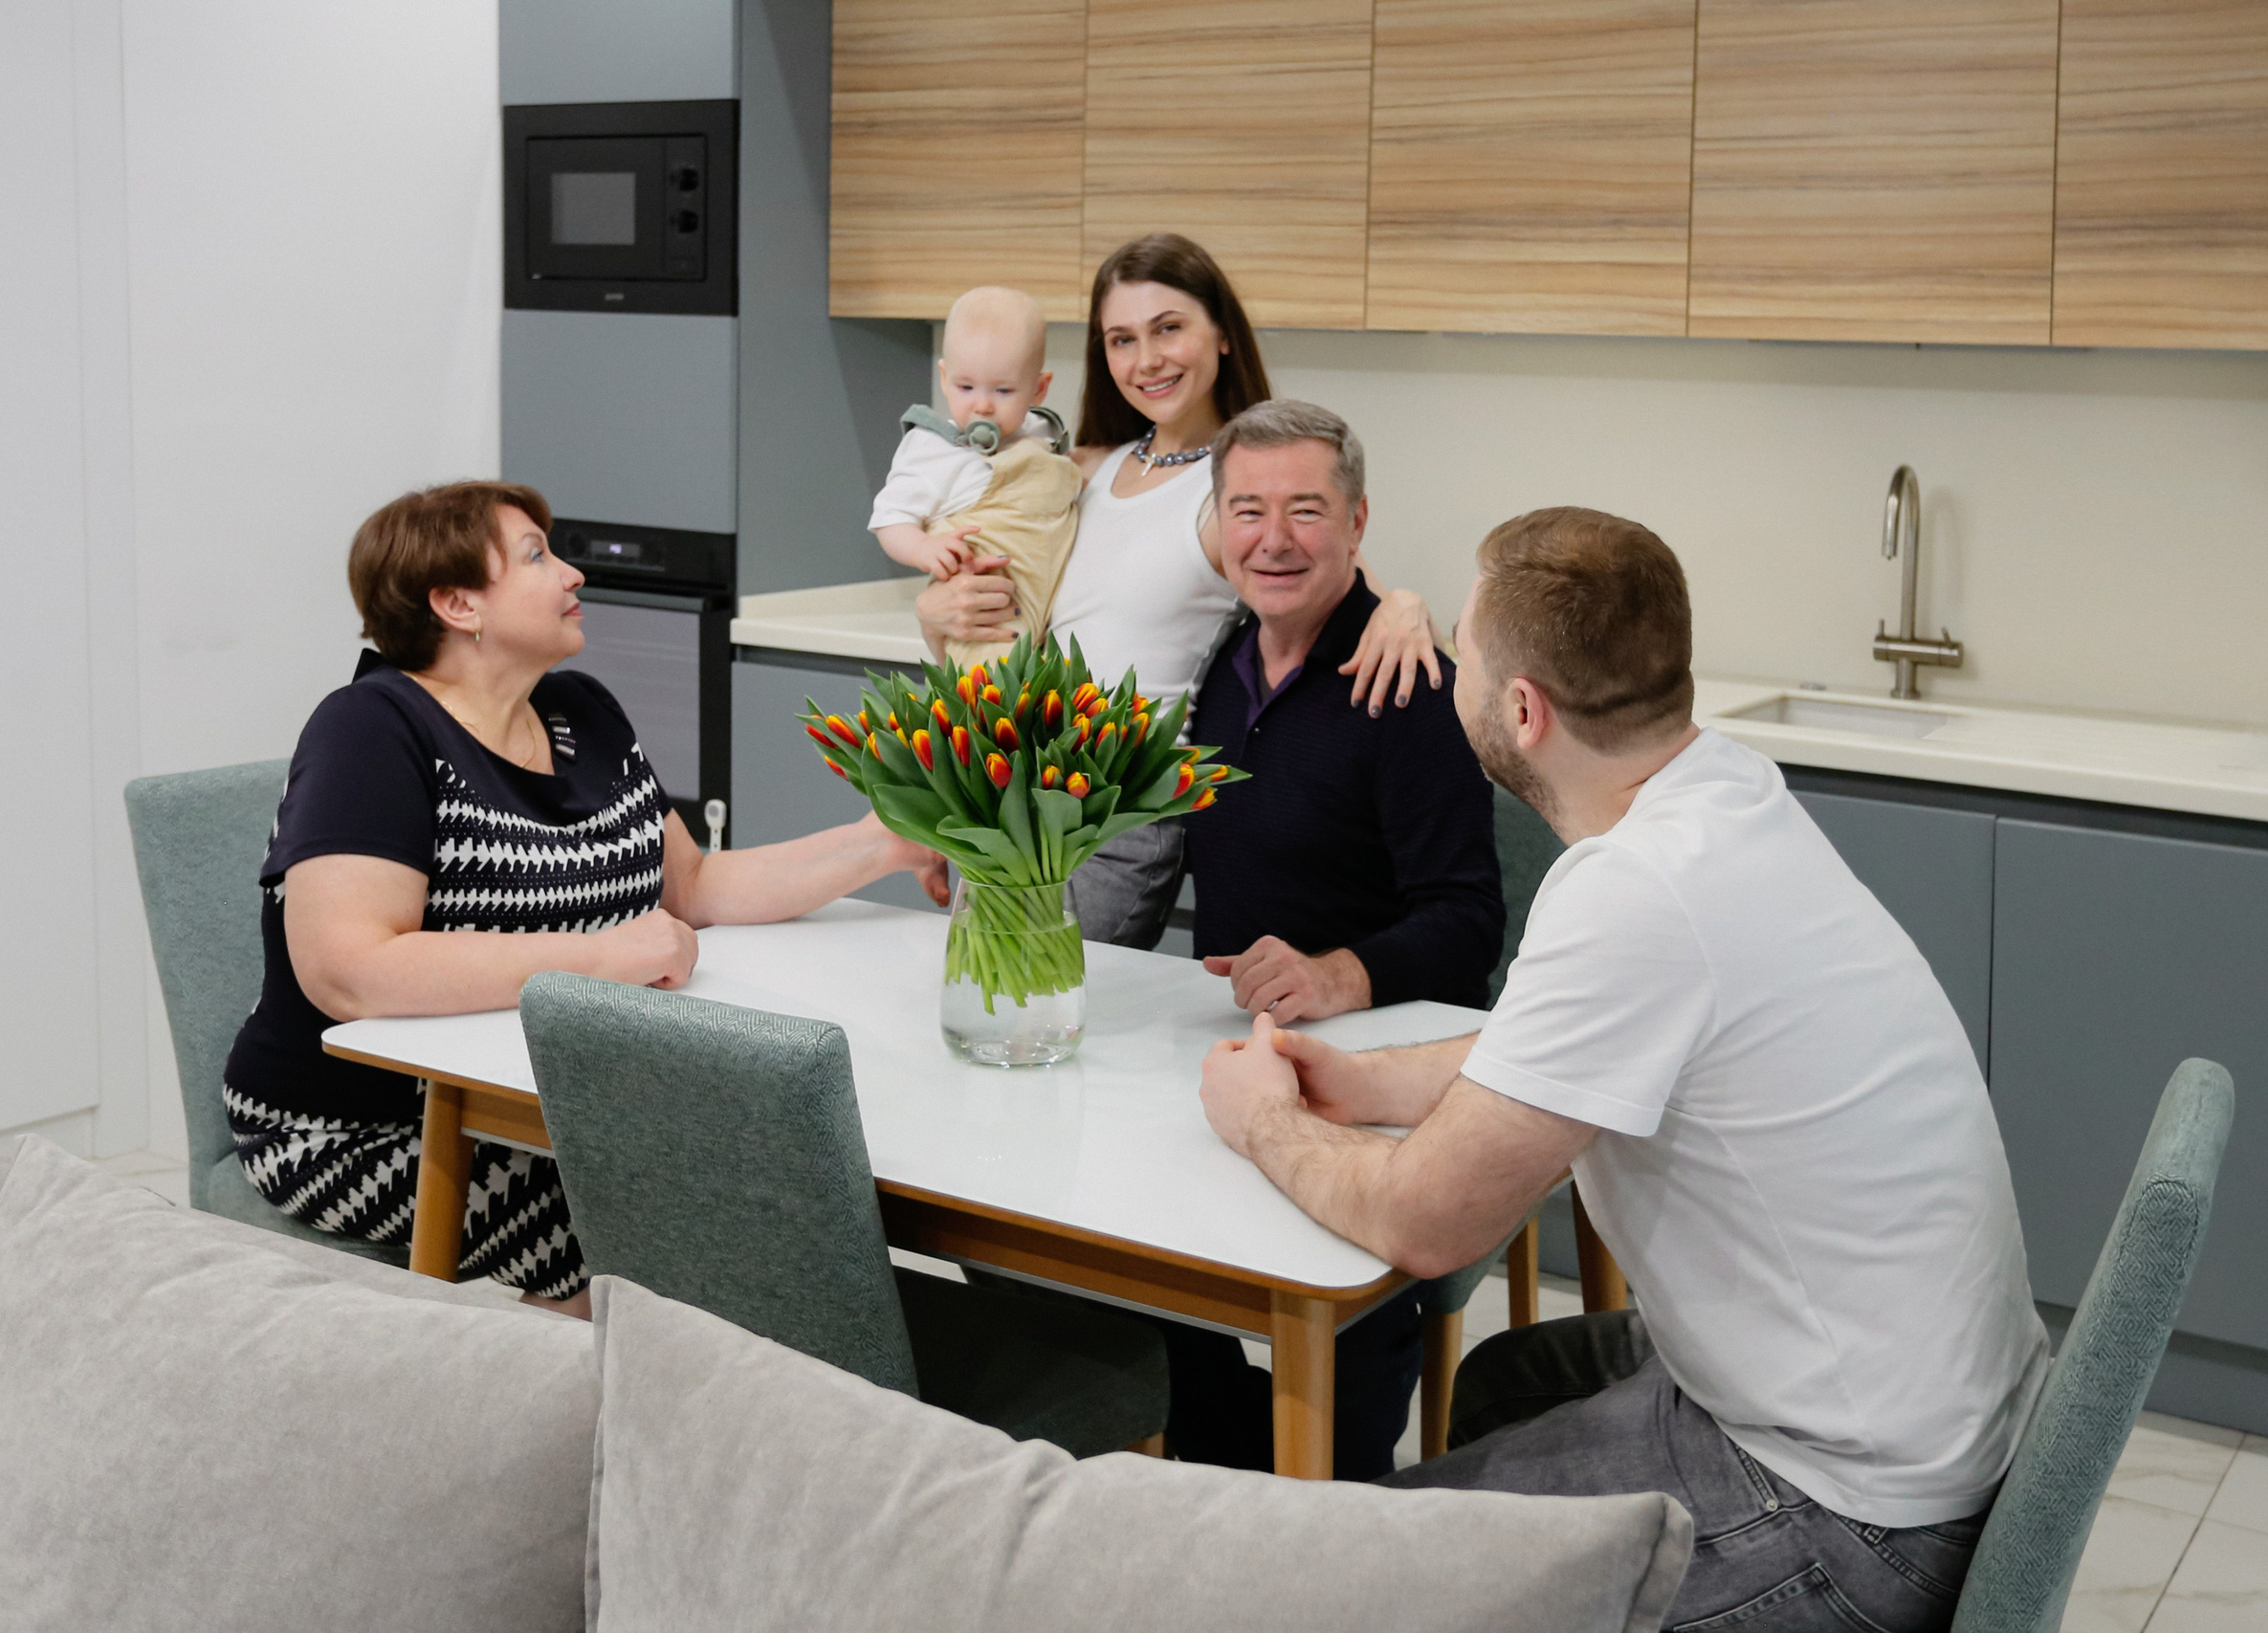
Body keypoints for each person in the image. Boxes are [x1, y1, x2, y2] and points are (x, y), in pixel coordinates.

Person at [1197, 507, 2049, 1630]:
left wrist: (1264, 1119)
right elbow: (1576, 1039)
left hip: (1847, 1512)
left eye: (1463, 641)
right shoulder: (1727, 794)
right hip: (1925, 1415)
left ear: (1519, 711)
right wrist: (1371, 1083)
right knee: (1505, 1386)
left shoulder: (1633, 892)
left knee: (1347, 1575)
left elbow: (1426, 1222)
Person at [222, 481, 948, 1318]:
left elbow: (696, 886)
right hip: (357, 1129)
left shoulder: (581, 710)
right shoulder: (370, 729)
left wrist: (882, 840)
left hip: (553, 1100)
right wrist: (605, 958)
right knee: (651, 1225)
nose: (572, 573)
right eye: (536, 555)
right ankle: (579, 1430)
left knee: (750, 1182)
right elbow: (348, 968)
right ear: (459, 603)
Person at [914, 233, 1442, 949]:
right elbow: (1009, 612)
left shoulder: (1233, 490)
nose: (1147, 359)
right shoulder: (1081, 467)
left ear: (1221, 332)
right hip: (1018, 783)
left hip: (1119, 809)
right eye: (1122, 339)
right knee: (982, 999)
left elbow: (1348, 590)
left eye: (1169, 328)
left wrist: (1406, 606)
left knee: (1043, 1007)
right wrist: (933, 613)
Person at [1156, 400, 1502, 1479]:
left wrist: (1337, 974)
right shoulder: (1219, 663)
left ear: (1356, 523)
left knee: (1345, 1340)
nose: (1273, 538)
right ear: (1215, 526)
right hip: (1230, 1054)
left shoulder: (1405, 683)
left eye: (1305, 511)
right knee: (1136, 1269)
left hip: (1378, 1074)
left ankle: (1337, 1506)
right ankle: (1215, 1475)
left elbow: (1467, 921)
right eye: (1246, 510)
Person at [869, 286, 1083, 672]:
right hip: (987, 612)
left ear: (1039, 388)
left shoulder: (1042, 433)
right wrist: (922, 548)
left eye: (1003, 390)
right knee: (991, 699)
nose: (982, 404)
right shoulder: (932, 449)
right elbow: (890, 516)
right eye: (966, 387)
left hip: (1052, 608)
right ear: (945, 378)